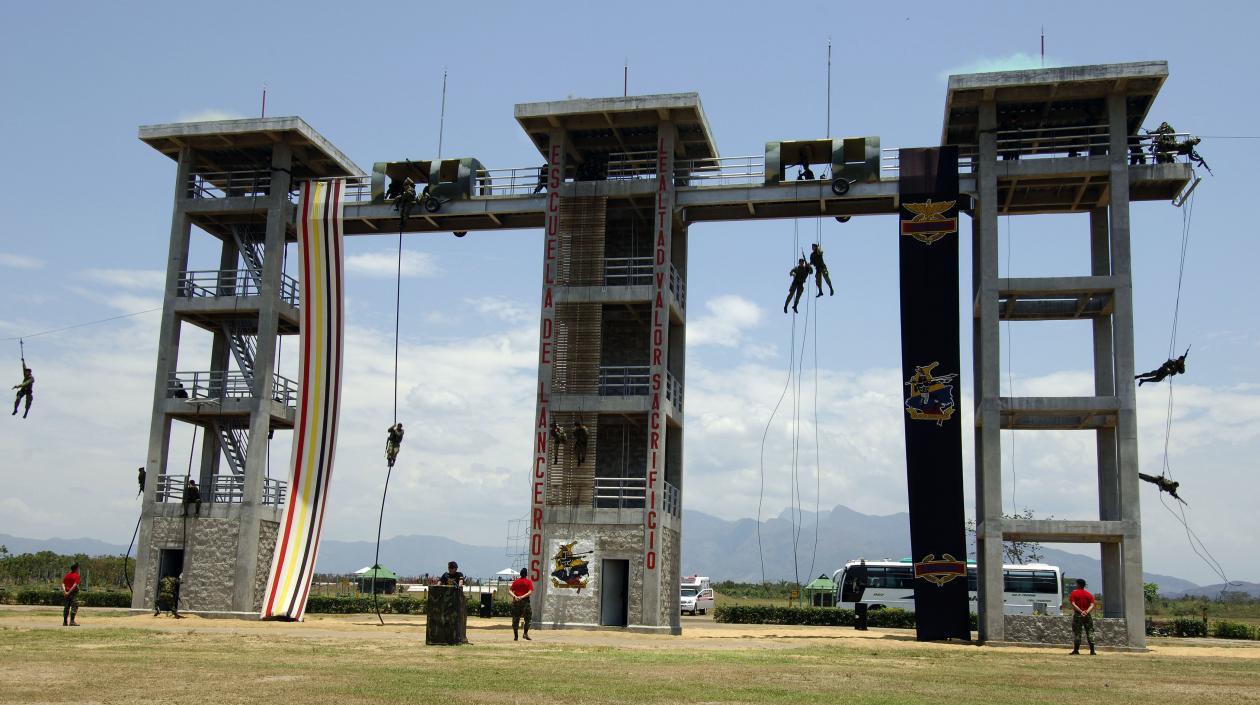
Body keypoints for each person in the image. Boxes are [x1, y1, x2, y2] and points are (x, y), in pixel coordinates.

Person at [1068, 578, 1096, 655]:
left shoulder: (1074, 593)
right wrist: (1086, 612)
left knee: (1077, 632)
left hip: (1078, 615)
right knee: (1090, 631)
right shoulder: (1089, 594)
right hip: (1087, 615)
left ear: (1078, 585)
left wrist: (1081, 612)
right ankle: (1092, 650)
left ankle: (1076, 650)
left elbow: (1073, 604)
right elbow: (1092, 605)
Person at [509, 567, 534, 641]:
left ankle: (516, 636)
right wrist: (522, 597)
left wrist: (515, 596)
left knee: (515, 619)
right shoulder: (528, 582)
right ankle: (525, 633)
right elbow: (530, 592)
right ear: (526, 574)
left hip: (516, 602)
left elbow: (509, 591)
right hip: (525, 602)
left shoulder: (516, 582)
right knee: (528, 619)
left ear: (520, 574)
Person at [851, 559, 869, 631]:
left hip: (859, 594)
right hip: (862, 594)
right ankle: (863, 626)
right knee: (863, 613)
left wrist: (855, 590)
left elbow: (855, 582)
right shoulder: (865, 571)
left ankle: (858, 626)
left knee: (859, 612)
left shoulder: (857, 571)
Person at [62, 562, 81, 626]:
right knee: (74, 607)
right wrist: (69, 592)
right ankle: (72, 621)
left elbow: (63, 584)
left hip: (66, 593)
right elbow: (75, 585)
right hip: (73, 593)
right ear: (76, 568)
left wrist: (65, 591)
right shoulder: (76, 576)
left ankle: (65, 622)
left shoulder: (67, 575)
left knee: (66, 607)